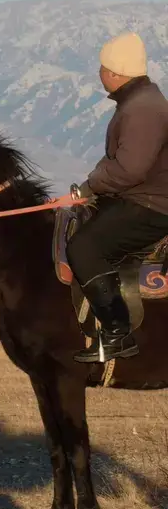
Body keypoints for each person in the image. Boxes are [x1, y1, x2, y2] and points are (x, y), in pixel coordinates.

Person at [67, 32, 168, 363]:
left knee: (84, 247)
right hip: (142, 196)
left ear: (114, 71)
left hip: (152, 203)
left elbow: (130, 168)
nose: (99, 73)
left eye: (101, 67)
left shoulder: (142, 110)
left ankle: (116, 334)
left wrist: (90, 187)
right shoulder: (140, 103)